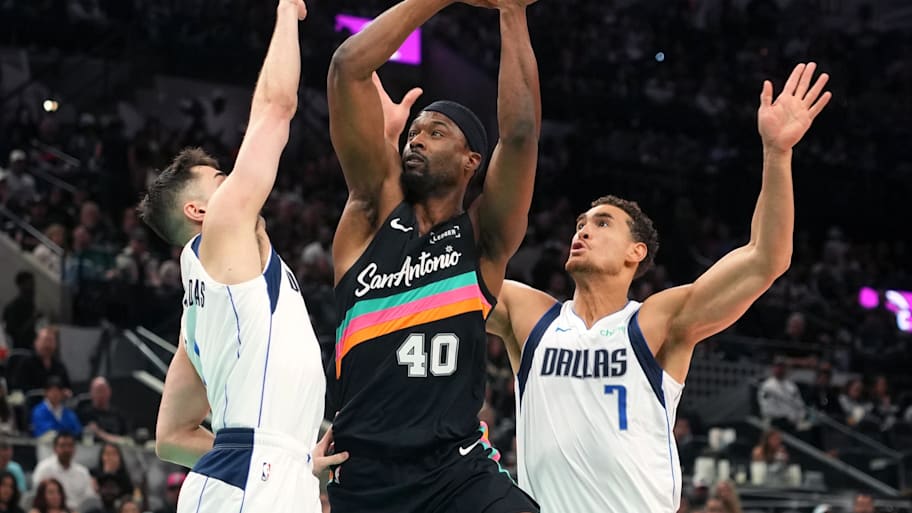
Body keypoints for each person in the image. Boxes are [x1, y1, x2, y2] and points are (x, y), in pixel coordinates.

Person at [486, 63, 831, 512]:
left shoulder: (655, 322)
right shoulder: (529, 315)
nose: (583, 230)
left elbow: (767, 259)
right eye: (581, 223)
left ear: (636, 252)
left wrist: (777, 154)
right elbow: (439, 280)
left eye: (602, 223)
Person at [325, 0, 541, 510]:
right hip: (365, 474)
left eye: (435, 132)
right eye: (414, 132)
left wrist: (512, 11)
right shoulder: (370, 214)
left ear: (471, 161)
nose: (416, 140)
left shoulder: (482, 238)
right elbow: (347, 67)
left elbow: (520, 135)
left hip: (454, 470)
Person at [137, 2, 338, 512]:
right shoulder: (222, 230)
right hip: (255, 481)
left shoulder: (196, 318)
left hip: (262, 474)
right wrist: (287, 13)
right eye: (222, 182)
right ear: (199, 210)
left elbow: (173, 437)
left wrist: (287, 459)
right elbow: (275, 107)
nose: (236, 186)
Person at [31, 433, 95, 512]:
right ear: (55, 448)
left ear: (75, 449)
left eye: (70, 446)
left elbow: (89, 498)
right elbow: (38, 497)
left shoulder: (82, 472)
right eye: (62, 446)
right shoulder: (44, 469)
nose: (66, 450)